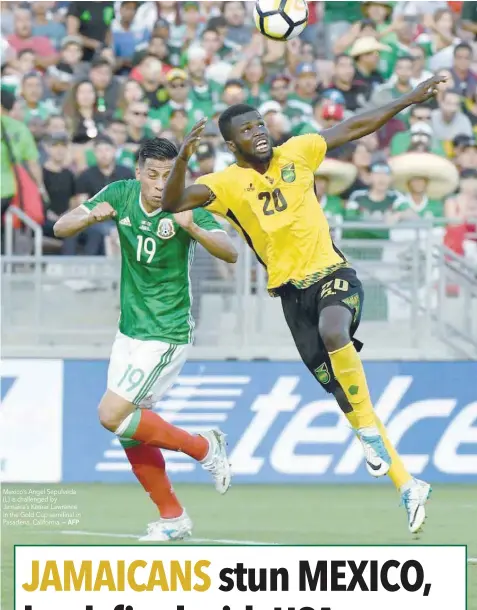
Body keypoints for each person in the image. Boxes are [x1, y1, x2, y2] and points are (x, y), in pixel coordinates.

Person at [161, 74, 447, 535]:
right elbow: (172, 201)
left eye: (260, 125)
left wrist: (410, 98)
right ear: (232, 144)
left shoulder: (299, 151)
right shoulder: (226, 183)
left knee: (337, 334)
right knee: (341, 392)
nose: (259, 132)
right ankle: (407, 483)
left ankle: (369, 436)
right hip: (291, 298)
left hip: (333, 275)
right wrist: (183, 161)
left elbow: (356, 126)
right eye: (247, 130)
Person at [53, 137, 236, 541]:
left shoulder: (188, 203)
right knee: (130, 430)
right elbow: (60, 226)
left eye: (167, 176)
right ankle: (173, 517)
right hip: (129, 330)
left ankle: (203, 448)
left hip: (167, 331)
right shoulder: (120, 193)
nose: (158, 184)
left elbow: (230, 251)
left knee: (111, 415)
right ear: (137, 173)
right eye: (151, 175)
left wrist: (195, 228)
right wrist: (87, 217)